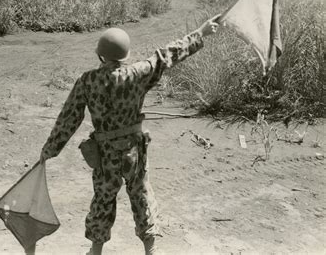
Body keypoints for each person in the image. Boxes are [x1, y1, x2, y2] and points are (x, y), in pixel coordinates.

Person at [39, 15, 220, 254]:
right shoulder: (138, 74)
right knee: (141, 195)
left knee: (103, 199)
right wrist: (201, 32)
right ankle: (150, 249)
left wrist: (49, 150)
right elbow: (167, 55)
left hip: (104, 155)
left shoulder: (87, 81)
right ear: (125, 55)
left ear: (100, 55)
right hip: (134, 151)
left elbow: (68, 119)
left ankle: (95, 251)